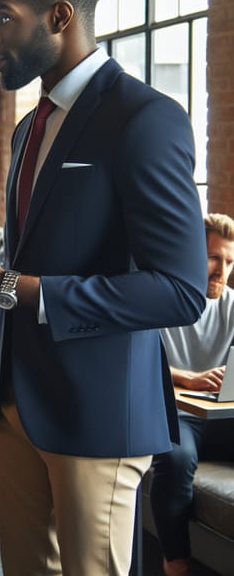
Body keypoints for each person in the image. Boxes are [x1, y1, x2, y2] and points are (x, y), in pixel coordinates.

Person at [0, 0, 207, 575]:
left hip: (97, 412)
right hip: (13, 399)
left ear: (59, 17)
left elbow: (181, 291)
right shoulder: (31, 126)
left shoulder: (145, 118)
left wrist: (7, 285)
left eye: (2, 16)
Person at [150, 213, 234, 576]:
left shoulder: (232, 304)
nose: (222, 270)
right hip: (179, 414)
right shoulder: (159, 298)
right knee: (176, 461)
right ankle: (176, 563)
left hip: (224, 416)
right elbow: (136, 365)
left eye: (230, 261)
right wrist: (188, 378)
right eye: (214, 257)